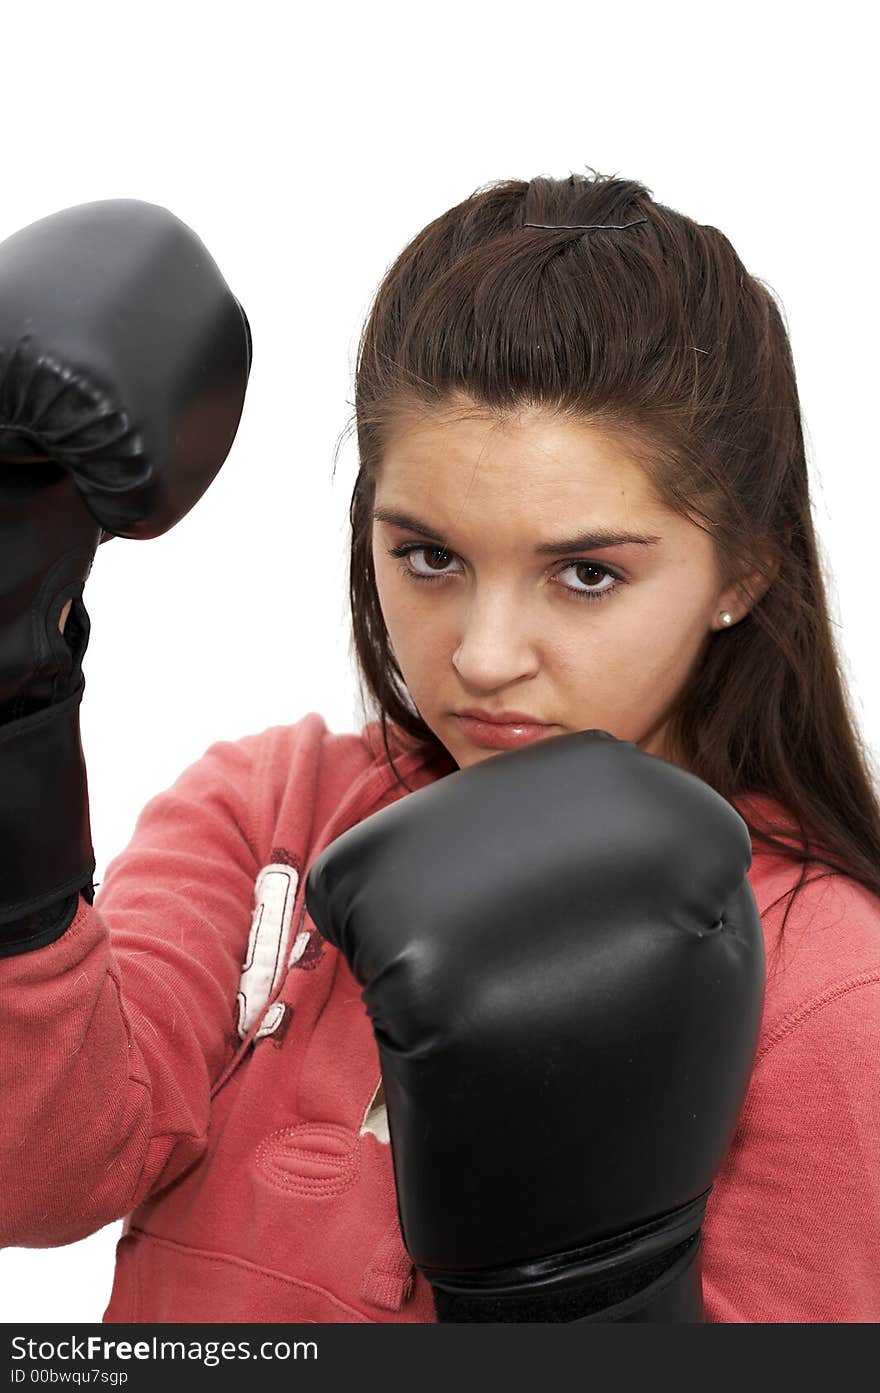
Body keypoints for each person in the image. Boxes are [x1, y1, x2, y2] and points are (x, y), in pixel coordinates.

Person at [1, 169, 878, 1324]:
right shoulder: (271, 809)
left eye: (586, 573)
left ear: (743, 571)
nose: (481, 654)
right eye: (428, 556)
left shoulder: (826, 983)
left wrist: (590, 1298)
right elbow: (41, 1179)